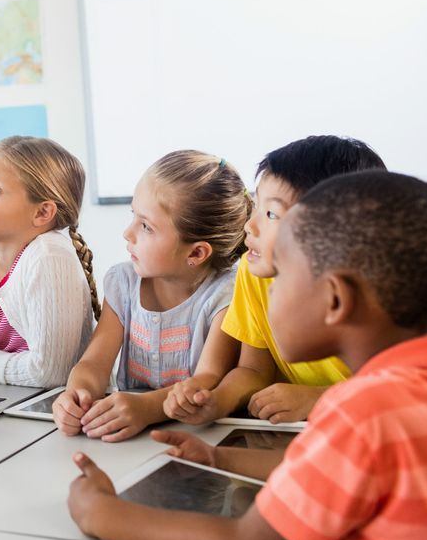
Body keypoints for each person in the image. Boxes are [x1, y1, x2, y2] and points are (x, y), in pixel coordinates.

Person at [67, 170, 427, 540]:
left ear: (335, 300)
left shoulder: (364, 413)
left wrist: (99, 512)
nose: (267, 290)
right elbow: (327, 469)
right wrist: (219, 458)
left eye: (281, 274)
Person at [163, 136, 385, 424]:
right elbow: (254, 370)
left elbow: (403, 387)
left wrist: (320, 398)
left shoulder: (378, 292)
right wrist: (217, 402)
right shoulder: (253, 272)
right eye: (256, 205)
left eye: (271, 213)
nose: (249, 225)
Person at [53, 151, 248, 441]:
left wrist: (147, 408)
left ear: (196, 252)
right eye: (133, 215)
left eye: (146, 226)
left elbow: (209, 379)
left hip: (198, 438)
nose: (127, 233)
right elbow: (94, 363)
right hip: (129, 434)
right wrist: (76, 395)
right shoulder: (123, 283)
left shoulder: (224, 295)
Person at [0, 136, 96, 388]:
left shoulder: (50, 258)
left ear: (42, 213)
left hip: (56, 407)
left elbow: (50, 373)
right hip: (7, 397)